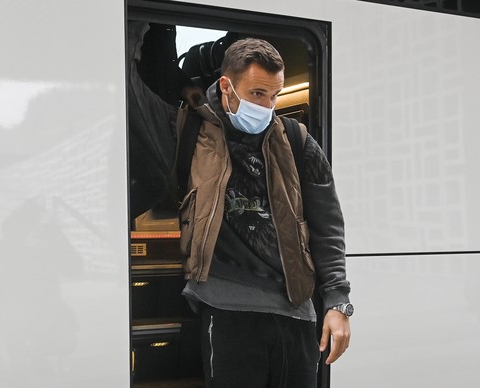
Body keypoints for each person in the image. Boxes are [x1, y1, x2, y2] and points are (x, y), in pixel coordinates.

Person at [128, 22, 352, 387]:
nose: (267, 106)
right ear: (226, 87)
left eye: (274, 96)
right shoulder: (186, 129)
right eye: (257, 93)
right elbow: (128, 91)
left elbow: (328, 227)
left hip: (296, 310)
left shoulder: (297, 140)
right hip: (227, 309)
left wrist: (337, 302)